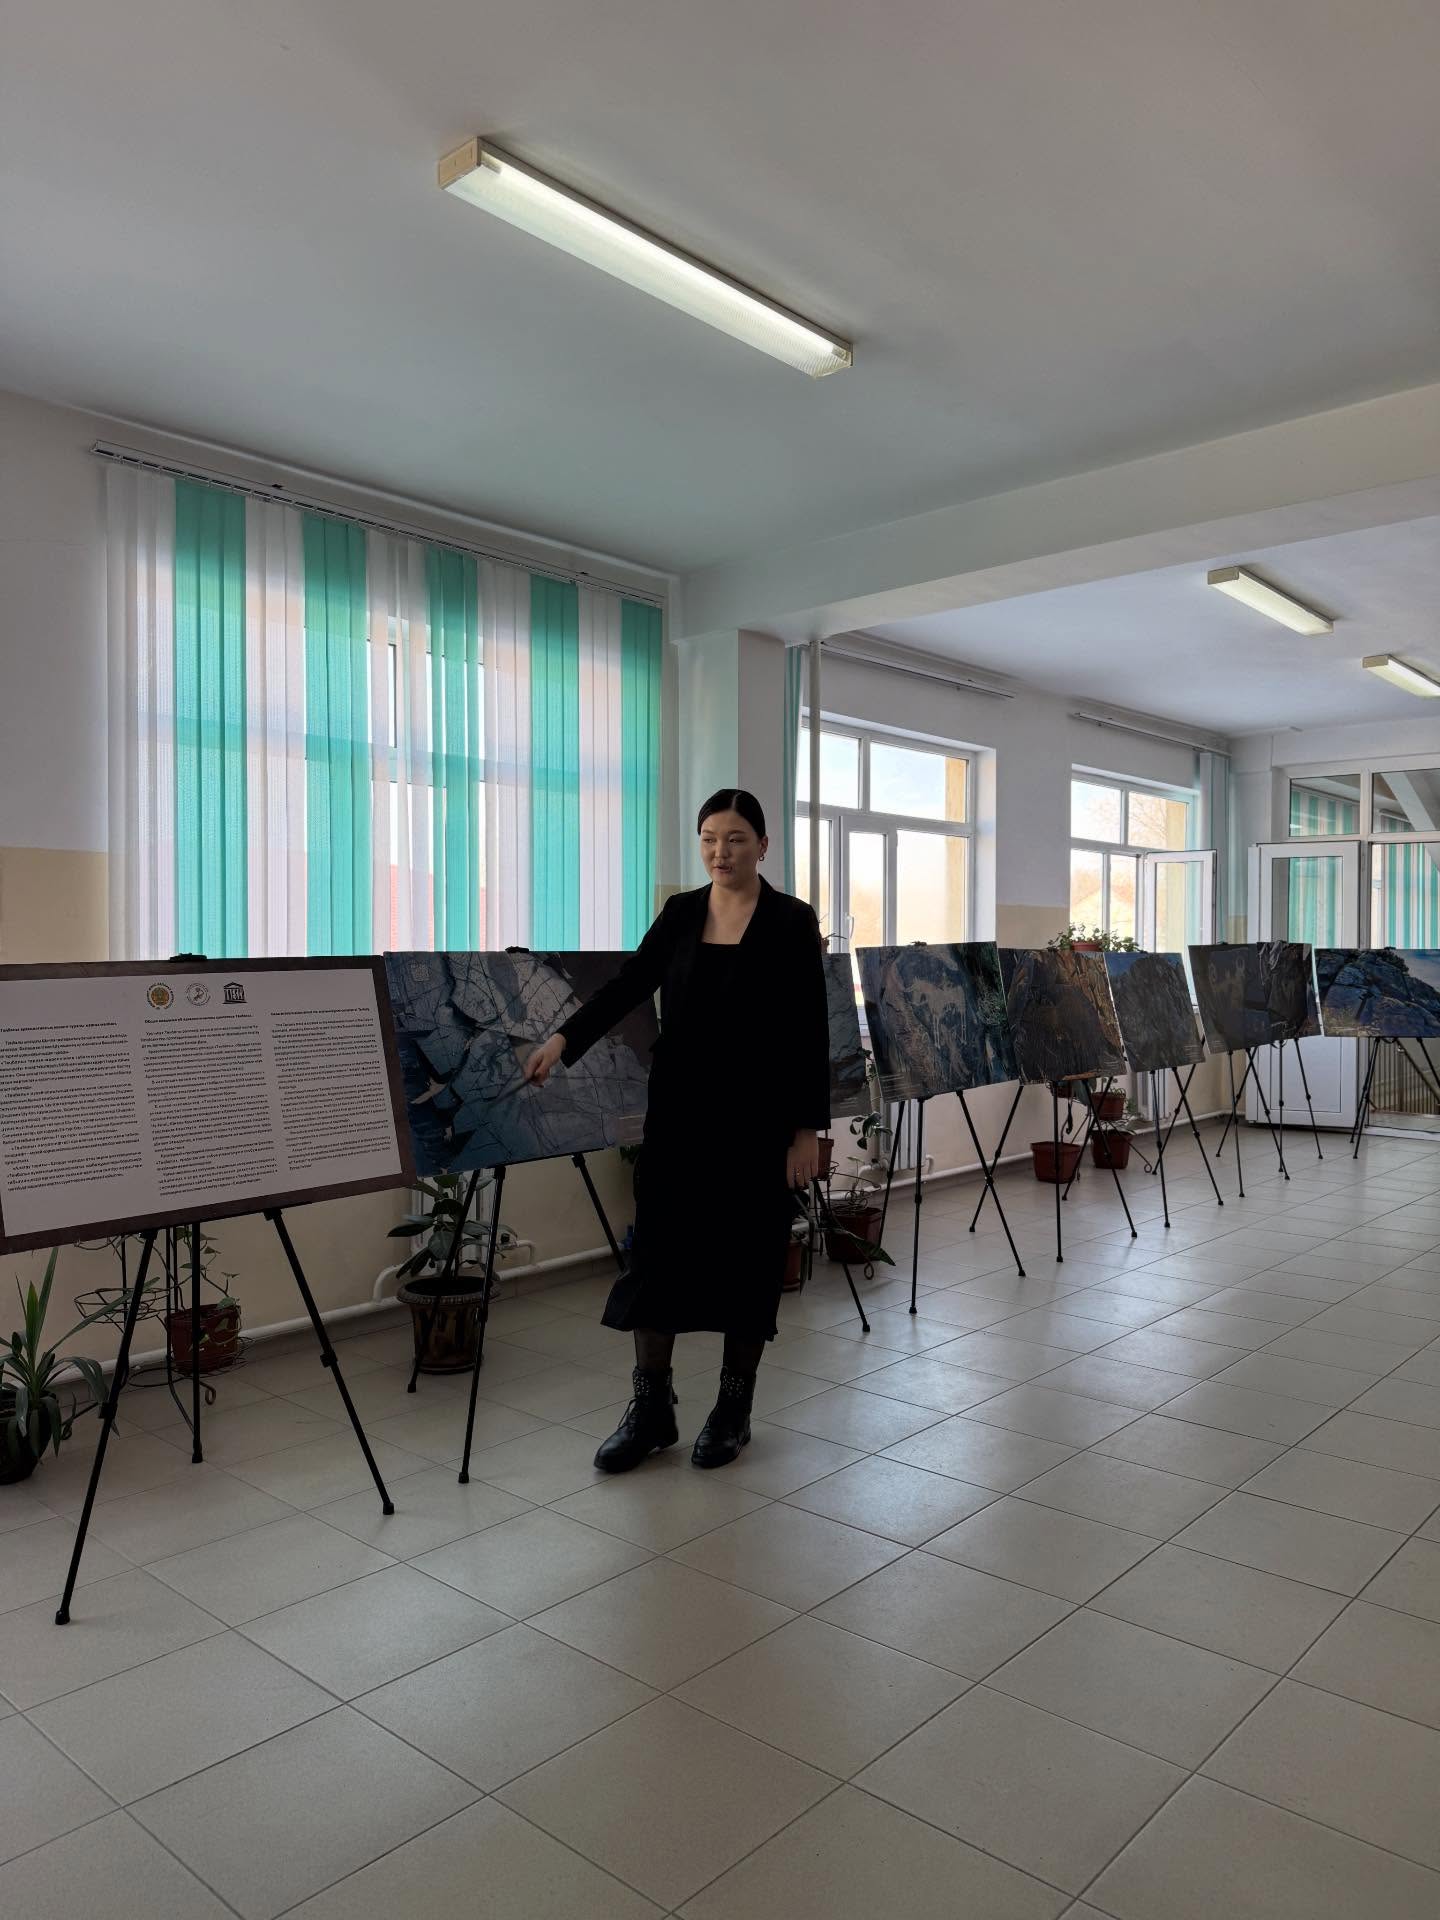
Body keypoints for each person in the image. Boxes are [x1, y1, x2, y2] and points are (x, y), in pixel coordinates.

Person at [523, 788, 829, 1471]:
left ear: (763, 846)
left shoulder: (790, 920)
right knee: (657, 1258)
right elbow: (627, 985)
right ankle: (651, 1410)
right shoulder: (682, 913)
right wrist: (562, 1040)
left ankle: (732, 1410)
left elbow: (809, 1028)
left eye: (736, 839)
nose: (721, 852)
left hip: (757, 1121)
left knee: (749, 1258)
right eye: (710, 839)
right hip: (680, 1117)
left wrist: (806, 1130)